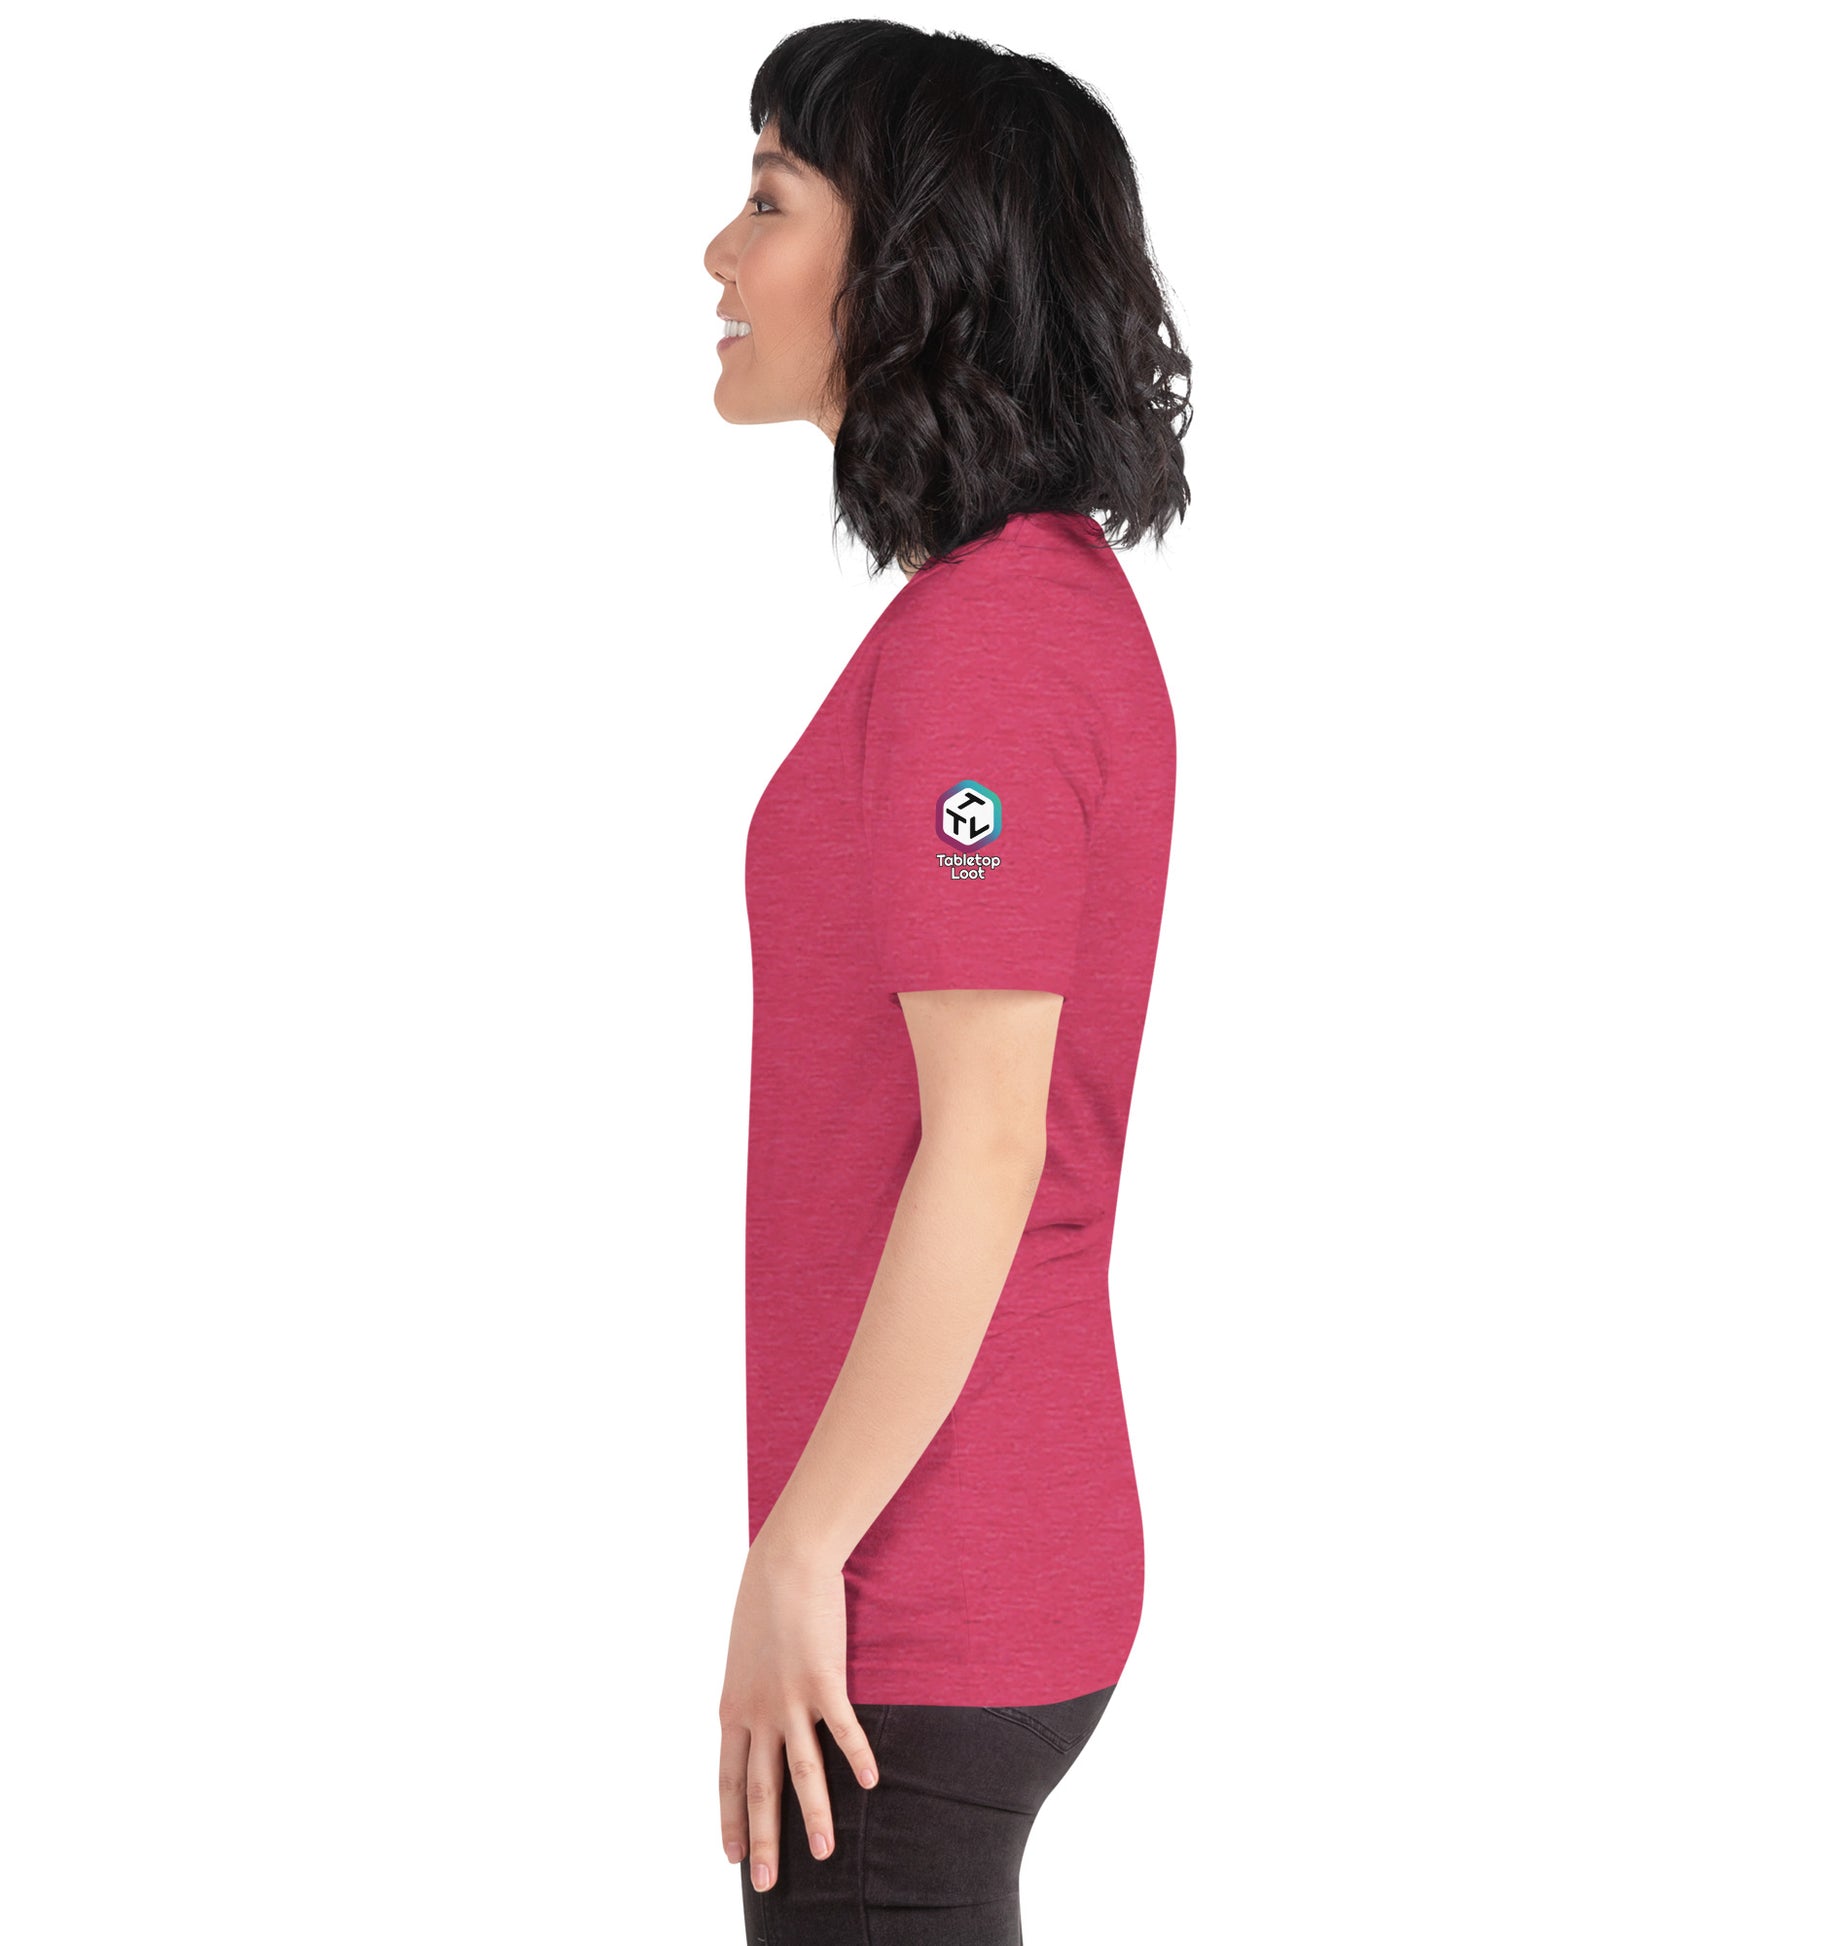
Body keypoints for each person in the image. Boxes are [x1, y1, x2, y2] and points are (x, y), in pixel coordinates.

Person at [701, 21, 1191, 1941]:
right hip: (952, 1548)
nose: (719, 255)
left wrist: (800, 1553)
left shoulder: (988, 647)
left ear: (908, 262)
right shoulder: (1011, 610)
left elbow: (986, 1147)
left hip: (923, 1574)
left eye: (768, 201)